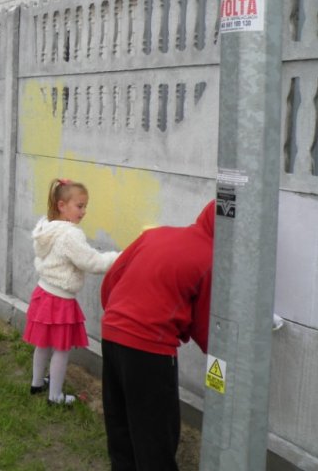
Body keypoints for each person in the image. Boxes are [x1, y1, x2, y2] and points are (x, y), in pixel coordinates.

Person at [100, 201, 214, 471]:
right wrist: (221, 357)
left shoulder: (155, 235)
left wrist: (119, 320)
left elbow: (112, 278)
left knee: (121, 427)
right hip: (150, 349)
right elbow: (205, 324)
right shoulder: (211, 259)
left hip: (112, 334)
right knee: (154, 434)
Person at [23, 179, 119, 405]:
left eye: (85, 206)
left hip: (43, 293)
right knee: (61, 349)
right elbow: (92, 262)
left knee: (43, 344)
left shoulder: (48, 228)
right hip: (60, 300)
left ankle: (37, 384)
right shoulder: (70, 235)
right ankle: (55, 396)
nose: (84, 211)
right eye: (79, 206)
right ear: (62, 205)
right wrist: (122, 257)